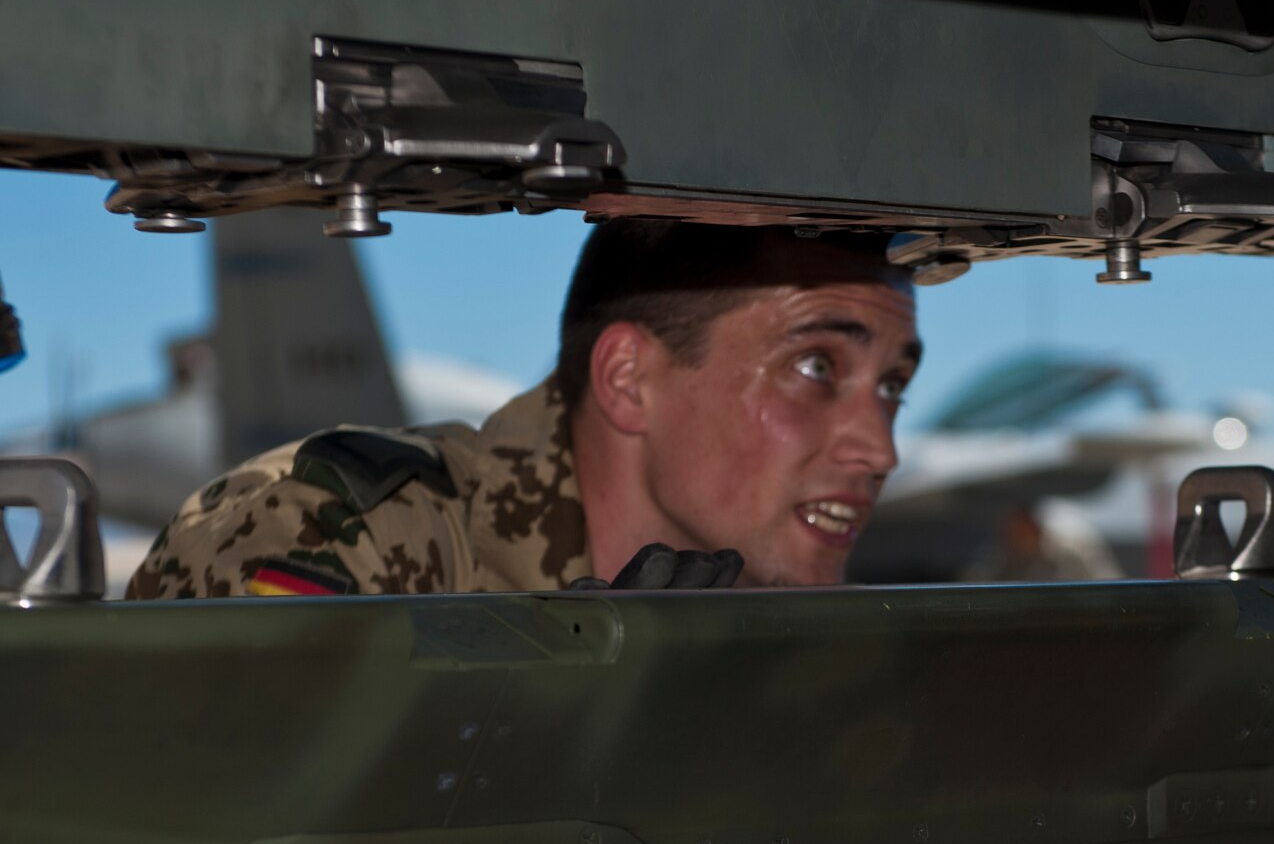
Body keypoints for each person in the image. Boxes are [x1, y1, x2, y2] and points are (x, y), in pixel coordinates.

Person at [125, 220, 921, 598]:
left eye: (891, 385)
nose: (879, 449)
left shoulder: (764, 613)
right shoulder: (341, 536)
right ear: (628, 380)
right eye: (815, 367)